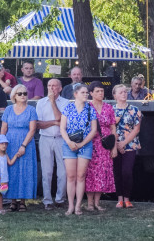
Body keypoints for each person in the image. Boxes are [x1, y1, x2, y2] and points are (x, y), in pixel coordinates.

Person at [60, 83, 98, 216]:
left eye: (87, 93)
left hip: (85, 145)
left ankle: (78, 206)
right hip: (69, 144)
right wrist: (69, 142)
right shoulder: (68, 108)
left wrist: (82, 144)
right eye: (83, 92)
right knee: (71, 176)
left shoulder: (90, 109)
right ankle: (70, 206)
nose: (86, 95)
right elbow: (62, 128)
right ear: (75, 94)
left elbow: (93, 130)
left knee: (81, 176)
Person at [0, 83, 37, 211]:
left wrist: (23, 145)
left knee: (25, 171)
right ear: (14, 96)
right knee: (11, 170)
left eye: (25, 93)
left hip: (26, 143)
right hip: (10, 143)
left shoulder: (31, 110)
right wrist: (0, 144)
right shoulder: (8, 110)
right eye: (19, 93)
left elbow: (32, 130)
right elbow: (3, 129)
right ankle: (12, 200)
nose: (22, 96)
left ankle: (23, 201)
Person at [35, 78, 68, 210]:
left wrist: (53, 102)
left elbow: (61, 119)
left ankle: (60, 199)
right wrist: (54, 122)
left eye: (54, 86)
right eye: (49, 85)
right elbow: (38, 124)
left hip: (61, 139)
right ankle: (47, 200)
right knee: (46, 171)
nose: (51, 88)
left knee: (63, 171)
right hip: (45, 138)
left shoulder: (65, 103)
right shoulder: (41, 103)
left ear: (60, 88)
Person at [85, 81, 116, 211]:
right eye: (97, 91)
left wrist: (114, 147)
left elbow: (113, 128)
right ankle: (89, 203)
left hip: (105, 144)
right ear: (91, 93)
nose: (100, 93)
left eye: (102, 91)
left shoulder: (109, 107)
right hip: (90, 143)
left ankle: (97, 202)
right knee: (89, 172)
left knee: (102, 172)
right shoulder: (87, 107)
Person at [110, 83, 142, 209]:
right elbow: (108, 128)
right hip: (114, 145)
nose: (124, 94)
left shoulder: (134, 109)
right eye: (121, 92)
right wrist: (117, 145)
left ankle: (127, 198)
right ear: (115, 95)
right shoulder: (110, 110)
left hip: (130, 144)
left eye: (125, 91)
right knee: (117, 172)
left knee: (127, 171)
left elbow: (136, 129)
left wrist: (123, 143)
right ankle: (119, 199)